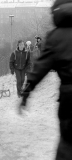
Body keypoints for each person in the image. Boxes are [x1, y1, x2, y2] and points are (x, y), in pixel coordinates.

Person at [19, 0, 72, 159]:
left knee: (68, 143)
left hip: (70, 99)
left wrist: (25, 94)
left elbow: (38, 70)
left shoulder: (55, 37)